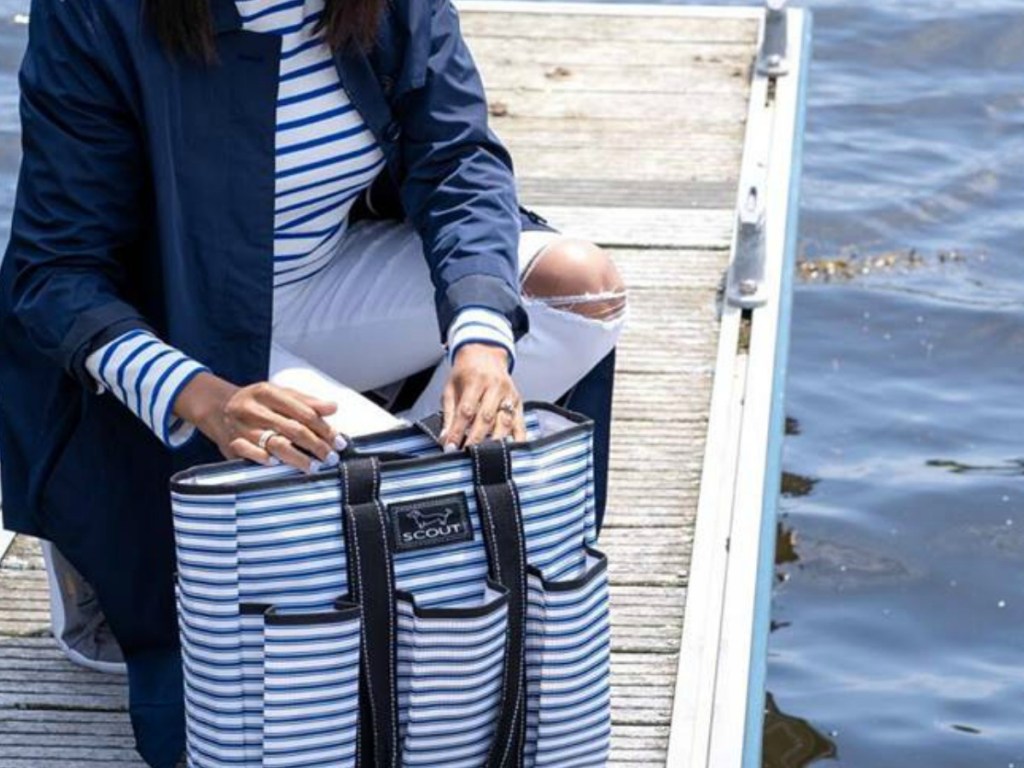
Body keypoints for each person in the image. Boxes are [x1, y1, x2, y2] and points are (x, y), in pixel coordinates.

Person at [0, 0, 626, 765]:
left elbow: (457, 157)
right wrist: (205, 399)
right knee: (343, 495)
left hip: (324, 282)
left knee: (575, 289)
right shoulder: (97, 11)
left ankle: (413, 495)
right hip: (184, 321)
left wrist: (481, 339)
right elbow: (54, 272)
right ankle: (112, 535)